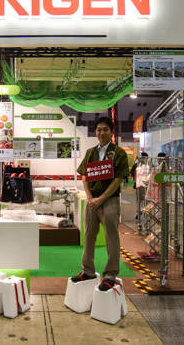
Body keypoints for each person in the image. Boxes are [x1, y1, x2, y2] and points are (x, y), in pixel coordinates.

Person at [70, 117, 129, 292]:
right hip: (92, 201)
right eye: (99, 130)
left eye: (105, 130)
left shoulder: (118, 153)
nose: (102, 133)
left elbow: (118, 179)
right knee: (89, 235)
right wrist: (90, 198)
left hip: (109, 200)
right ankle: (87, 271)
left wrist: (101, 198)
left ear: (111, 132)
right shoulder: (90, 153)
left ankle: (110, 275)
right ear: (95, 132)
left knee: (111, 237)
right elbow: (84, 175)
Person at [133, 153, 150, 226]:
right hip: (139, 185)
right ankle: (139, 212)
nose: (142, 159)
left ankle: (146, 213)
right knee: (139, 200)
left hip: (145, 186)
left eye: (143, 158)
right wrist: (136, 182)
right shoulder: (137, 165)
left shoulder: (149, 166)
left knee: (145, 200)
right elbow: (134, 173)